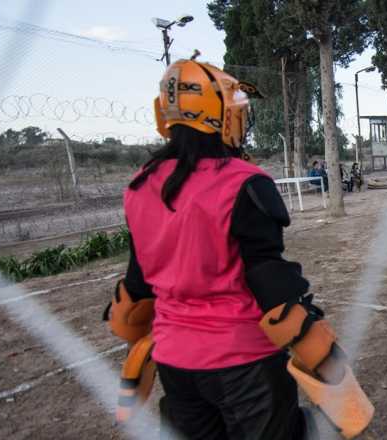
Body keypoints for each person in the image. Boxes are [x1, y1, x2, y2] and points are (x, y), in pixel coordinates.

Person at [104, 59, 373, 439]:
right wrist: (327, 361)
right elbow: (270, 284)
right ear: (223, 114)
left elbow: (138, 282)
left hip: (175, 361)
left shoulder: (139, 185)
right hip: (244, 361)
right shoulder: (244, 182)